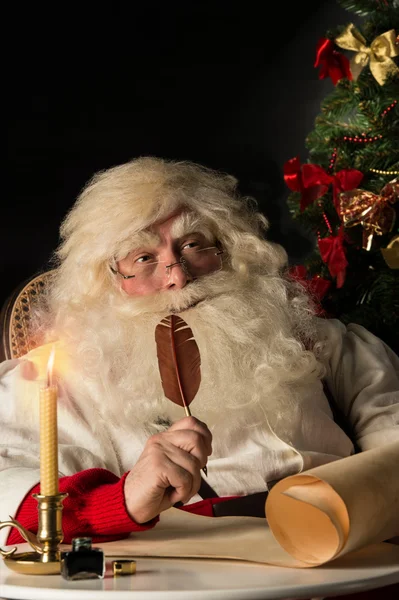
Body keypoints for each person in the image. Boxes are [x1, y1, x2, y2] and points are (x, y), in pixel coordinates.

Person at [1, 156, 398, 548]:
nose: (177, 276)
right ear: (105, 278)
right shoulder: (59, 375)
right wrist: (120, 500)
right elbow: (8, 494)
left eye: (193, 245)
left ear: (228, 249)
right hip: (190, 571)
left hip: (346, 549)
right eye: (143, 258)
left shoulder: (318, 341)